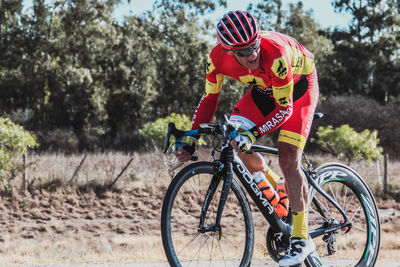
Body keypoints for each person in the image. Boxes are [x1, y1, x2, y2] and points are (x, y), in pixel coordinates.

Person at [173, 10, 319, 266]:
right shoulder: (216, 59)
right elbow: (209, 99)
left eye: (254, 46)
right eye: (243, 52)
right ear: (228, 51)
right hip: (263, 89)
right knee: (233, 138)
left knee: (287, 157)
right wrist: (191, 137)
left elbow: (284, 109)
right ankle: (277, 186)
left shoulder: (275, 54)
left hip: (298, 88)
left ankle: (301, 237)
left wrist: (251, 134)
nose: (252, 54)